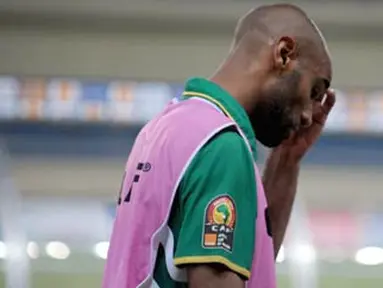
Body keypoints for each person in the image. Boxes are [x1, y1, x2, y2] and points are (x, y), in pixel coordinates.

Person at [103, 3, 335, 288]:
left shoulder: (166, 127)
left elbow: (245, 263)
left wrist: (286, 162)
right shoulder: (222, 146)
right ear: (284, 54)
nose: (308, 116)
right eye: (314, 91)